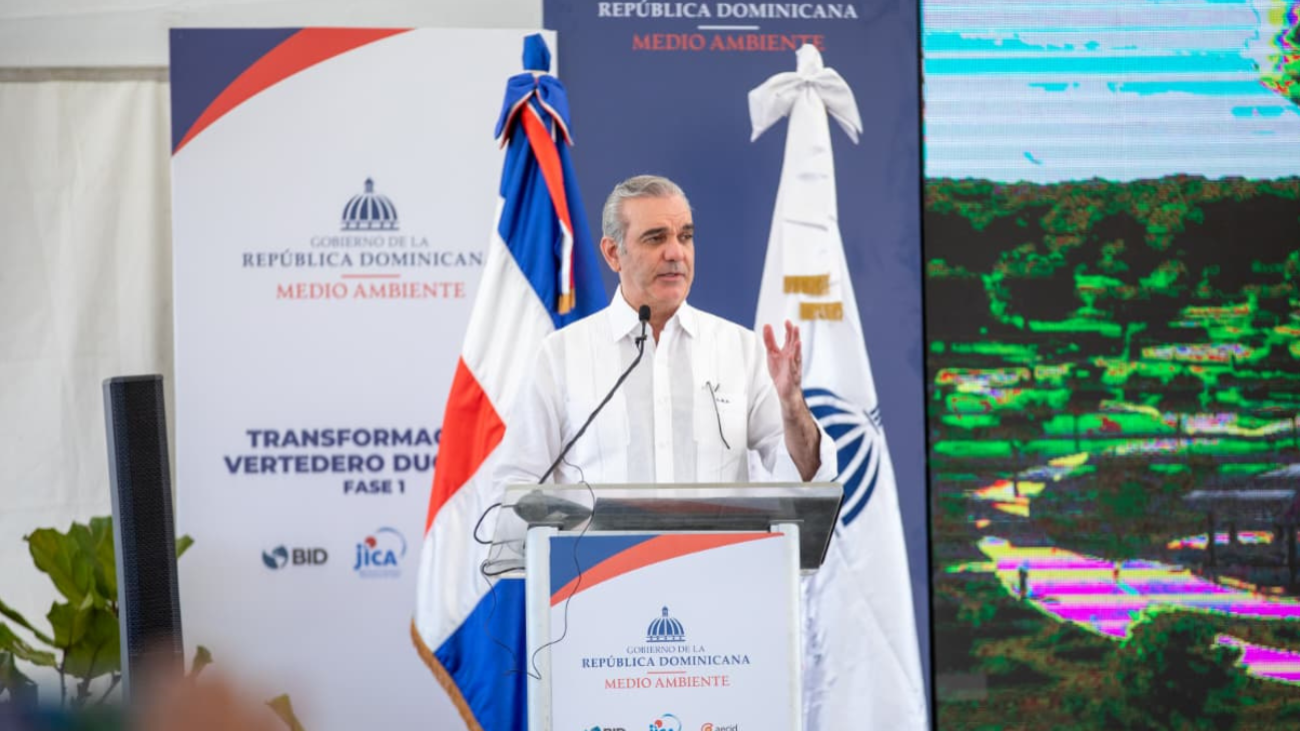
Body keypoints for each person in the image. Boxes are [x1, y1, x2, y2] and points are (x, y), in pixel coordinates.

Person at [493, 174, 836, 487]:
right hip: (600, 542)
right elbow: (516, 485)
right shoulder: (560, 356)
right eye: (655, 238)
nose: (676, 253)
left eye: (685, 237)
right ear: (613, 253)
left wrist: (792, 405)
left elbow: (810, 474)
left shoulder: (742, 350)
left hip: (719, 541)